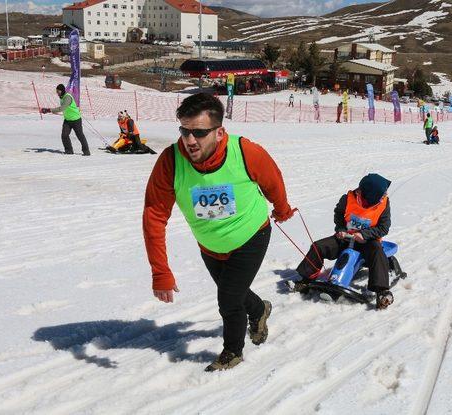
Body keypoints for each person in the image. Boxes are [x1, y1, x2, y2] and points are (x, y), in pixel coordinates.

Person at [143, 93, 295, 372]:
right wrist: (160, 271)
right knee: (233, 292)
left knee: (228, 299)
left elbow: (273, 180)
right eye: (184, 131)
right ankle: (259, 309)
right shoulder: (171, 161)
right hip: (210, 245)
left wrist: (282, 209)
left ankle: (232, 352)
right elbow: (154, 215)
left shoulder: (246, 151)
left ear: (219, 131)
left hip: (251, 235)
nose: (189, 140)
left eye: (199, 133)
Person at [292, 174, 394, 310]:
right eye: (381, 194)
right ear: (371, 195)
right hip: (345, 238)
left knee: (377, 252)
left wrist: (364, 234)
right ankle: (305, 280)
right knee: (319, 246)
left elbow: (383, 228)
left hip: (368, 241)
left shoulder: (384, 204)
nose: (384, 195)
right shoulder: (347, 199)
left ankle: (381, 292)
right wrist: (340, 229)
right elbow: (339, 214)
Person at [40, 84, 90, 156]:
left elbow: (62, 108)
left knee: (80, 135)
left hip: (76, 120)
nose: (57, 93)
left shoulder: (67, 97)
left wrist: (48, 110)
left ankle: (86, 151)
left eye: (58, 91)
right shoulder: (62, 97)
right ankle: (69, 150)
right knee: (64, 135)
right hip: (67, 120)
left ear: (62, 90)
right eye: (56, 91)